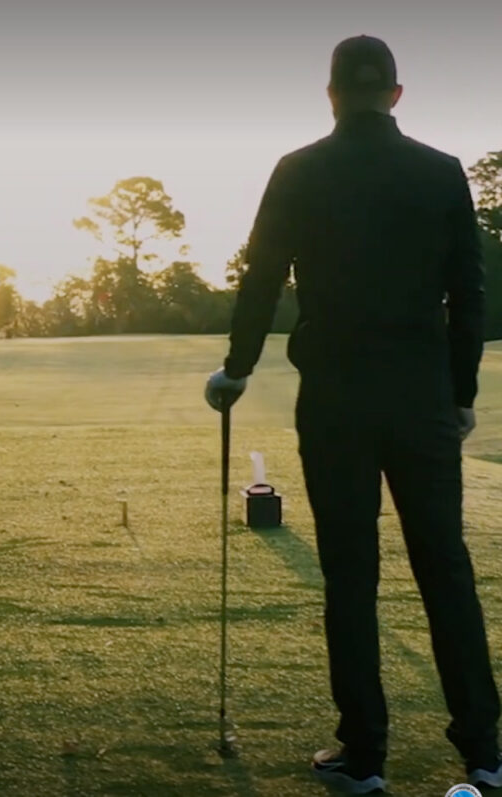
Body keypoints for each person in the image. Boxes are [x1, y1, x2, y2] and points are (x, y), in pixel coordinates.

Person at [204, 36, 500, 793]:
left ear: (331, 95)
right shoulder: (439, 171)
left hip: (335, 396)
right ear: (396, 95)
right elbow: (468, 292)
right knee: (445, 568)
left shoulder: (299, 170)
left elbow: (262, 277)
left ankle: (364, 756)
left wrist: (237, 369)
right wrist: (461, 394)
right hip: (422, 394)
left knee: (350, 573)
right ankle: (486, 751)